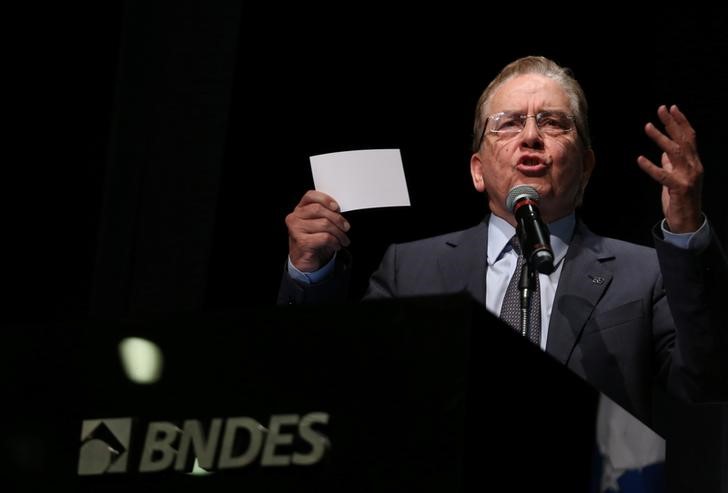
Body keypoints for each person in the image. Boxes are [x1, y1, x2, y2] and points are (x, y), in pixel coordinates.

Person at [278, 56, 728, 425]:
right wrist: (310, 272)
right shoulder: (409, 268)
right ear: (477, 169)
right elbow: (336, 381)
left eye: (553, 123)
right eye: (508, 124)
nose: (530, 136)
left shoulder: (643, 274)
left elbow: (705, 380)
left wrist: (687, 231)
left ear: (586, 168)